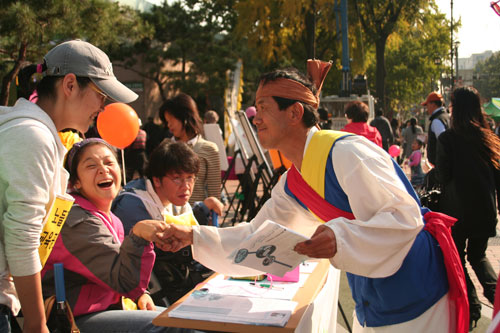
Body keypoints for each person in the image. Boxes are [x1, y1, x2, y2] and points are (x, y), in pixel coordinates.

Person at [159, 60, 468, 332]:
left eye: (264, 107)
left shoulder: (348, 152)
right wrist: (193, 237)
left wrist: (339, 237)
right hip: (373, 292)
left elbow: (404, 219)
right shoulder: (294, 183)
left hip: (416, 291)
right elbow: (258, 237)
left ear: (294, 112)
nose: (256, 119)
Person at [0, 39, 138, 332]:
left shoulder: (34, 131)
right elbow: (22, 237)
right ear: (70, 85)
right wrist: (37, 323)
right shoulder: (32, 136)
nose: (103, 107)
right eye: (101, 94)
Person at [41, 138, 187, 333]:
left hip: (108, 306)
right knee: (176, 327)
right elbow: (124, 280)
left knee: (188, 320)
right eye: (91, 165)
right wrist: (139, 235)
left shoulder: (107, 216)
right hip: (75, 319)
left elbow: (119, 273)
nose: (103, 170)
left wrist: (140, 295)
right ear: (76, 182)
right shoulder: (76, 219)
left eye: (109, 163)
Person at [112, 140, 223, 303]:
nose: (186, 186)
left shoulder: (173, 196)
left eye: (190, 178)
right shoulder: (132, 205)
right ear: (157, 180)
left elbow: (181, 221)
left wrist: (203, 208)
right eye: (177, 179)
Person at [435, 86, 500, 330]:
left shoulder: (447, 139)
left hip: (457, 212)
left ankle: (471, 306)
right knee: (479, 256)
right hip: (485, 209)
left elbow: (443, 176)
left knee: (458, 258)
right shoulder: (488, 136)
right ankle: (496, 301)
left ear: (455, 108)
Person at [160, 93, 221, 205]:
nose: (168, 125)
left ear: (184, 117)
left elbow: (214, 194)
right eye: (166, 121)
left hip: (197, 216)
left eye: (171, 120)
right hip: (167, 216)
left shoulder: (209, 149)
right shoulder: (165, 147)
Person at [422, 91, 449, 166]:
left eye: (427, 105)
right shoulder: (447, 117)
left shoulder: (437, 120)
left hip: (440, 165)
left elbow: (443, 141)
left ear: (433, 104)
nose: (427, 108)